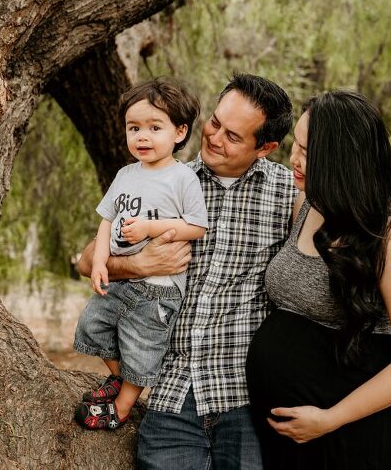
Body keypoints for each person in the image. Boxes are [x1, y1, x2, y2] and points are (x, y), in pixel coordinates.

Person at [78, 74, 296, 469]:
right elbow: (85, 260)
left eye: (233, 136)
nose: (213, 138)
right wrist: (136, 265)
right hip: (171, 392)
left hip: (245, 396)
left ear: (265, 148)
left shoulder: (289, 195)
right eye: (215, 122)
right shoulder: (165, 178)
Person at [245, 90, 391, 469]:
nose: (295, 159)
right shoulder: (307, 205)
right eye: (296, 145)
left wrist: (329, 419)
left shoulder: (388, 233)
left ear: (341, 157)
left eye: (308, 150)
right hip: (295, 442)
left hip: (359, 440)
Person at [73, 78, 209, 430]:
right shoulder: (125, 174)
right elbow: (106, 220)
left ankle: (121, 409)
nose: (142, 137)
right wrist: (100, 261)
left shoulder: (182, 179)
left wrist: (151, 229)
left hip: (159, 288)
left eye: (154, 127)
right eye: (134, 128)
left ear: (179, 133)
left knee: (142, 346)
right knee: (93, 326)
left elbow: (196, 227)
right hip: (122, 280)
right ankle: (119, 380)